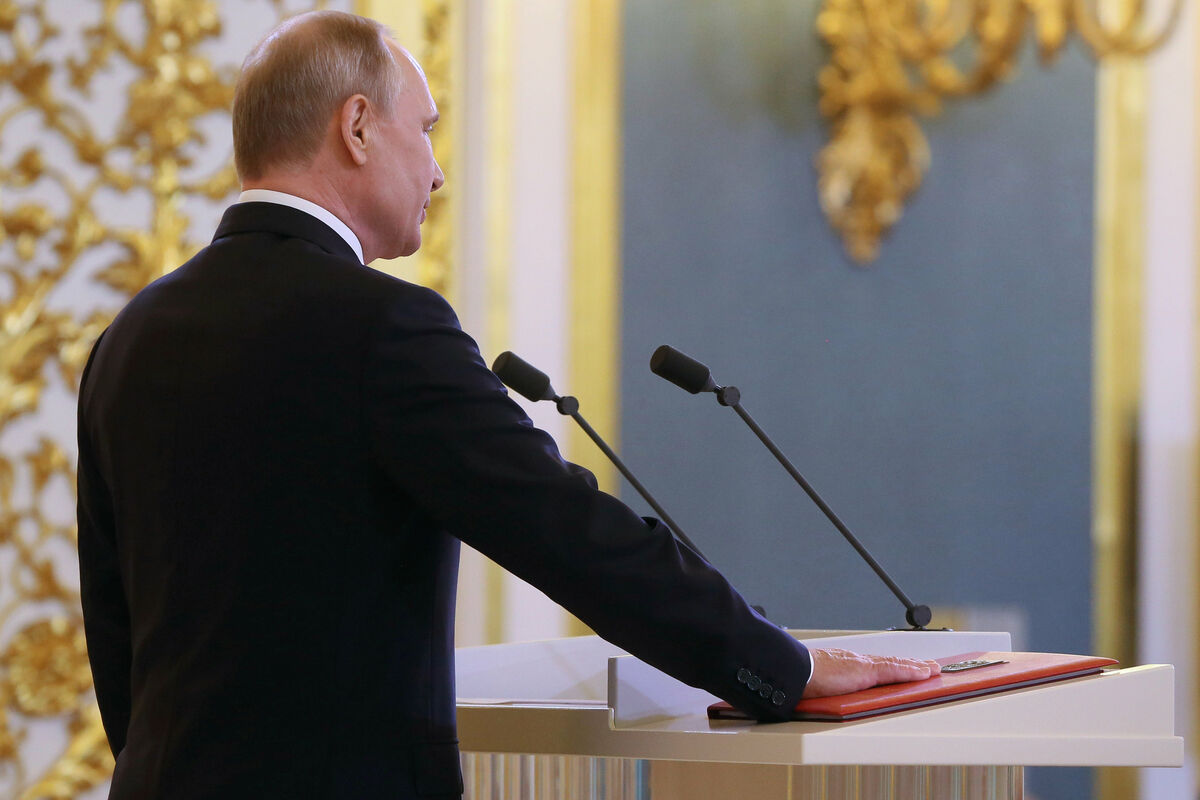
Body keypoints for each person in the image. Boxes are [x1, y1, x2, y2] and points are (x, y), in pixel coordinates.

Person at [76, 10, 937, 799]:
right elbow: (568, 531)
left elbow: (116, 639)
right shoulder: (383, 327)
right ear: (358, 127)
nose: (438, 171)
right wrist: (782, 667)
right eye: (426, 130)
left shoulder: (129, 339)